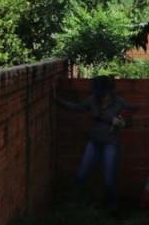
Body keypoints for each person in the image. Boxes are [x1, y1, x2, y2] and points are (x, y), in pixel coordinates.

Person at [55, 76, 135, 210]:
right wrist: (56, 101)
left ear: (110, 91)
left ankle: (112, 209)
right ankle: (75, 206)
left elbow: (130, 119)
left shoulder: (119, 103)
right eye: (100, 93)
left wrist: (122, 123)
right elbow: (77, 107)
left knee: (109, 180)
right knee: (81, 175)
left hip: (110, 144)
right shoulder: (93, 100)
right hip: (94, 143)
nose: (102, 96)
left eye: (104, 93)